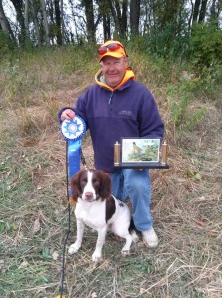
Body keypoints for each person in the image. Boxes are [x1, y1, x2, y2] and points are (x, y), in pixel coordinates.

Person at [58, 40, 164, 248]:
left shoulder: (141, 94)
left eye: (116, 62)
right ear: (101, 66)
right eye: (106, 63)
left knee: (138, 185)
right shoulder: (91, 94)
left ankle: (143, 225)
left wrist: (144, 158)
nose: (111, 68)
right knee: (111, 197)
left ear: (125, 62)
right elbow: (77, 118)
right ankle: (114, 215)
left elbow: (155, 130)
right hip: (105, 163)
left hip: (134, 160)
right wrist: (66, 114)